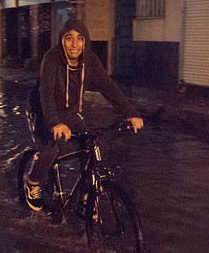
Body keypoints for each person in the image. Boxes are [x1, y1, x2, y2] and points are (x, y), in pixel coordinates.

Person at [24, 18, 143, 211]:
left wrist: (130, 112)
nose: (74, 44)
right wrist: (54, 122)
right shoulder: (51, 58)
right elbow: (45, 92)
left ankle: (86, 197)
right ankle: (33, 182)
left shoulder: (90, 61)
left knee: (93, 144)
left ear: (85, 41)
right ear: (61, 40)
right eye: (69, 38)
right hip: (43, 111)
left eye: (79, 38)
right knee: (50, 149)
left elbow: (108, 87)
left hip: (70, 113)